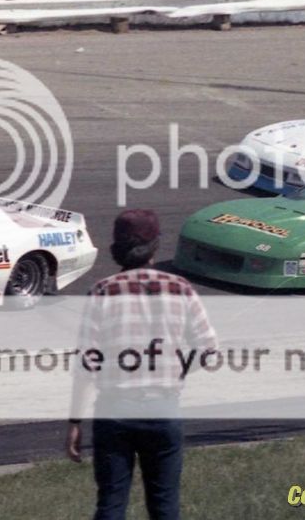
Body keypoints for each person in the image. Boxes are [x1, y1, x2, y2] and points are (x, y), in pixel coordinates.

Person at [66, 209, 217, 520]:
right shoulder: (180, 289)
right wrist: (176, 368)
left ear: (115, 249)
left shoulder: (103, 291)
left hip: (113, 412)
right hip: (163, 410)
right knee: (164, 506)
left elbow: (86, 363)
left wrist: (75, 422)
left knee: (110, 503)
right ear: (155, 246)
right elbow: (208, 350)